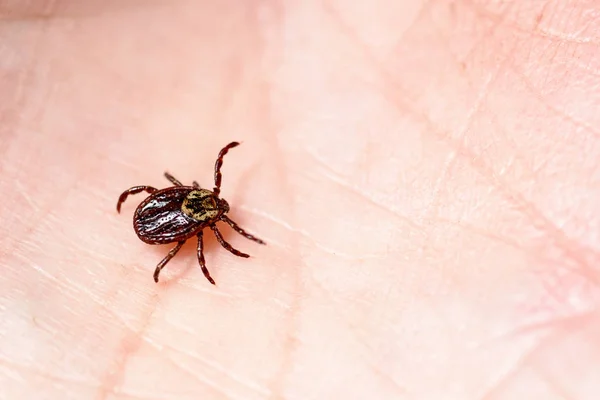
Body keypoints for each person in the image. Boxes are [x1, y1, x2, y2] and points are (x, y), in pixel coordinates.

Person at [1, 1, 597, 398]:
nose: (217, 204)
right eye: (211, 200)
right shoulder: (196, 220)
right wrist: (201, 251)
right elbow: (193, 235)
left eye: (213, 201)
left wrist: (181, 232)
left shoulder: (189, 208)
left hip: (155, 223)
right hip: (158, 226)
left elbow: (158, 202)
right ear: (197, 201)